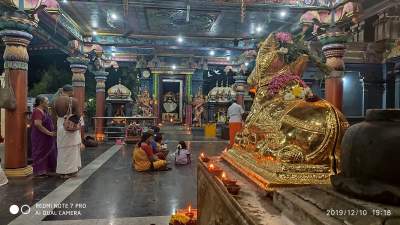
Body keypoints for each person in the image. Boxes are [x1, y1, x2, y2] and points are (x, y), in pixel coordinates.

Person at [53, 85, 82, 178]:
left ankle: (62, 171)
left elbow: (53, 116)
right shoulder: (72, 100)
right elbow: (78, 115)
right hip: (69, 124)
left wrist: (55, 128)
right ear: (71, 91)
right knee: (71, 149)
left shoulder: (55, 100)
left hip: (60, 124)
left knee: (62, 150)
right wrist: (76, 126)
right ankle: (70, 171)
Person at [31, 95, 57, 177]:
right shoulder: (37, 111)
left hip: (45, 136)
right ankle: (39, 172)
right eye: (46, 101)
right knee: (39, 152)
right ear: (41, 102)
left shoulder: (44, 111)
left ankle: (45, 170)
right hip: (39, 136)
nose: (48, 103)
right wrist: (49, 133)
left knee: (47, 151)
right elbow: (37, 124)